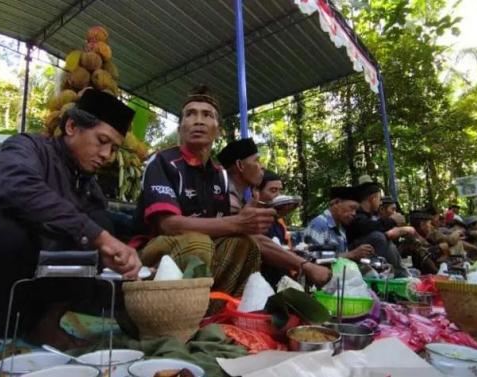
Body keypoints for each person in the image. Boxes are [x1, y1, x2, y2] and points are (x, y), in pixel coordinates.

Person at [0, 89, 142, 376]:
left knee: (101, 223)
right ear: (72, 127)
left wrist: (117, 250)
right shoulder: (25, 147)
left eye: (114, 148)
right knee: (7, 229)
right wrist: (97, 236)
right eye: (102, 141)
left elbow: (98, 232)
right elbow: (15, 188)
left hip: (25, 297)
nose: (106, 155)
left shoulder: (88, 185)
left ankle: (46, 324)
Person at [131, 86, 276, 300]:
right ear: (180, 128)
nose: (198, 120)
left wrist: (252, 218)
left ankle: (213, 311)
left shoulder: (220, 174)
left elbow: (223, 227)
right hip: (150, 253)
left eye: (207, 115)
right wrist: (238, 222)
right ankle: (172, 313)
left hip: (200, 253)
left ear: (218, 130)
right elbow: (168, 225)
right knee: (198, 243)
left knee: (247, 246)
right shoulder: (162, 161)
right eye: (190, 114)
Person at [218, 139, 332, 289]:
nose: (262, 166)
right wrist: (306, 266)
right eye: (257, 161)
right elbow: (255, 241)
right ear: (240, 165)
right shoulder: (228, 199)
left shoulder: (236, 197)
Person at [345, 182, 412, 277]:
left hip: (368, 258)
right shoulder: (356, 216)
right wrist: (392, 222)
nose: (380, 203)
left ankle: (401, 274)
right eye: (379, 199)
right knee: (379, 236)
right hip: (353, 256)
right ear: (372, 198)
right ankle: (401, 275)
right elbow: (368, 227)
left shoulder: (370, 217)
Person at [303, 186, 374, 262]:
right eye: (351, 208)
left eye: (356, 210)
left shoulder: (340, 228)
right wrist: (351, 254)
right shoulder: (319, 224)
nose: (354, 213)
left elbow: (343, 259)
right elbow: (312, 258)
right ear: (336, 203)